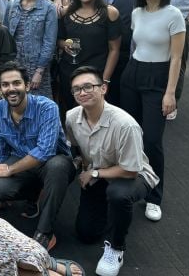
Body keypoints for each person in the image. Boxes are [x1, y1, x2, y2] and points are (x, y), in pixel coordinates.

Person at [66, 66, 159, 276]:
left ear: (103, 89)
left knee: (118, 194)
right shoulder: (72, 117)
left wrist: (94, 174)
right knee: (86, 233)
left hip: (133, 174)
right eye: (77, 89)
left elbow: (131, 171)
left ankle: (116, 247)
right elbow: (76, 147)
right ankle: (115, 214)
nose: (82, 92)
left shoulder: (125, 124)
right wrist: (81, 164)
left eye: (88, 86)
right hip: (99, 171)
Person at [119, 0, 185, 223]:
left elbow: (177, 57)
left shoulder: (174, 15)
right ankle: (130, 180)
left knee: (153, 140)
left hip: (158, 78)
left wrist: (170, 93)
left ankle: (154, 196)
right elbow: (138, 46)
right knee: (129, 133)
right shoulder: (137, 13)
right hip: (133, 74)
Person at [0, 62, 76, 250]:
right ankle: (36, 193)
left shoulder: (47, 107)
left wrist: (10, 170)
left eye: (16, 83)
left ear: (27, 86)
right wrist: (0, 169)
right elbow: (0, 148)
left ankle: (45, 231)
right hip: (21, 159)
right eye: (5, 84)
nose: (11, 89)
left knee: (57, 167)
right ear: (0, 89)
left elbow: (45, 151)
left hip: (53, 161)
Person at [56, 0, 121, 116]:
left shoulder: (109, 13)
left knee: (95, 117)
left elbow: (114, 49)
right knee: (72, 116)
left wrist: (105, 80)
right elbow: (59, 40)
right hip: (69, 73)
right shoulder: (66, 12)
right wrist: (65, 44)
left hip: (96, 76)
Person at [8, 0, 57, 99]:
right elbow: (6, 38)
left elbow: (49, 42)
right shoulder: (12, 5)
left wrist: (39, 71)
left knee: (39, 105)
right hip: (15, 65)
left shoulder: (48, 7)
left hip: (37, 66)